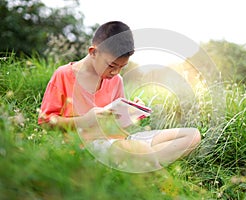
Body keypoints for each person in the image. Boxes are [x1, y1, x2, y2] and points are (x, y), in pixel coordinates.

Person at [38, 21, 200, 170]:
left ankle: (141, 161)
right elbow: (45, 122)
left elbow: (118, 126)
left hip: (120, 141)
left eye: (122, 67)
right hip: (88, 145)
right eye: (112, 65)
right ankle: (149, 168)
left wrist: (131, 113)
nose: (115, 72)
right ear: (93, 52)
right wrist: (84, 121)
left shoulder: (116, 80)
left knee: (192, 135)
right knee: (141, 149)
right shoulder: (64, 75)